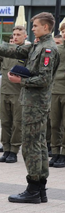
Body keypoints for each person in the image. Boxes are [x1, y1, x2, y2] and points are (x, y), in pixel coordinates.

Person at [0, 12, 60, 204]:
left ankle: (34, 189)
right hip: (31, 101)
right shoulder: (38, 45)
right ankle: (39, 190)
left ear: (46, 27)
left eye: (36, 26)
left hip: (35, 103)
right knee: (37, 145)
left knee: (31, 146)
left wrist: (21, 80)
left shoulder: (48, 49)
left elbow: (45, 79)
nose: (32, 29)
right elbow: (16, 51)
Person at [0, 26, 28, 163]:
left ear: (25, 36)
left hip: (18, 93)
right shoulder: (6, 53)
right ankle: (6, 149)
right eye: (14, 34)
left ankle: (14, 151)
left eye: (18, 34)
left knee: (17, 124)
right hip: (5, 92)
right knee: (5, 123)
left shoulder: (28, 53)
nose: (15, 37)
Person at [49, 23, 65, 168]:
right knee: (54, 124)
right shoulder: (56, 49)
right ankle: (55, 152)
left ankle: (63, 154)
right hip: (55, 91)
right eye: (63, 31)